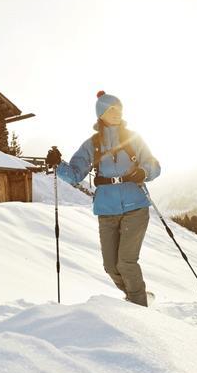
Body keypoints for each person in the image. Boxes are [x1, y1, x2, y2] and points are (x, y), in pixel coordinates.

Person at [45, 91, 161, 307]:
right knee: (110, 266)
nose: (117, 113)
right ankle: (137, 296)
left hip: (135, 207)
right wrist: (58, 164)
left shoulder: (134, 139)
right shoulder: (92, 144)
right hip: (106, 209)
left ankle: (140, 308)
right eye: (112, 110)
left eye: (120, 109)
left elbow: (154, 165)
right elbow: (75, 174)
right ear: (101, 113)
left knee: (126, 262)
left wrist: (144, 172)